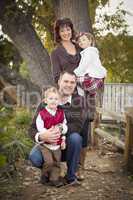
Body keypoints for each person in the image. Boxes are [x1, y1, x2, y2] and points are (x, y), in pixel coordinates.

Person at [29, 71, 89, 186]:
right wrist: (41, 136)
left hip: (66, 145)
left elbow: (77, 126)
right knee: (34, 158)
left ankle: (71, 176)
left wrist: (59, 129)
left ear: (75, 85)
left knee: (76, 138)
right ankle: (50, 172)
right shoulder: (46, 102)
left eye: (72, 82)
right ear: (59, 82)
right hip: (47, 144)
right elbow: (32, 128)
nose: (69, 85)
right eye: (66, 81)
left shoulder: (80, 101)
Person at [50, 18, 93, 179]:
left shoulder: (80, 47)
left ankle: (80, 168)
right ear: (58, 33)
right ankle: (63, 165)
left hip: (85, 94)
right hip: (68, 96)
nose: (66, 32)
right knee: (69, 129)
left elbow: (91, 64)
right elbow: (56, 76)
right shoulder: (56, 53)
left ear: (71, 30)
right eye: (62, 30)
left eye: (68, 29)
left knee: (84, 128)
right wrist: (70, 86)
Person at [36, 86, 67, 187]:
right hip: (46, 144)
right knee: (49, 162)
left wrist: (63, 139)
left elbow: (64, 126)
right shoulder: (42, 114)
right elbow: (39, 127)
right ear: (45, 100)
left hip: (57, 145)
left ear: (59, 101)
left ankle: (54, 180)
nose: (53, 101)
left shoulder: (61, 113)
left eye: (56, 99)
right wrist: (47, 134)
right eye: (51, 98)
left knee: (57, 163)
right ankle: (44, 175)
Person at [74, 32, 107, 97]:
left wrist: (75, 73)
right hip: (97, 80)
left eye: (83, 40)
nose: (81, 42)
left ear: (90, 41)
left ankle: (81, 95)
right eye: (79, 41)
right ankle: (85, 94)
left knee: (71, 79)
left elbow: (84, 65)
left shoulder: (89, 51)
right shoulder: (91, 52)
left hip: (92, 79)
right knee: (75, 80)